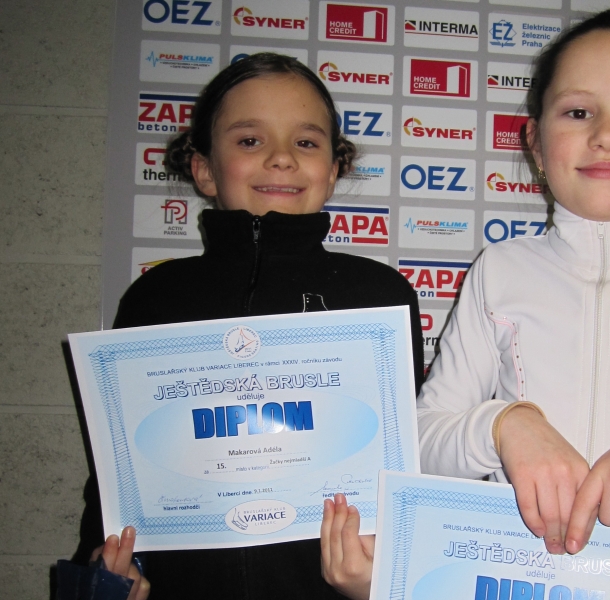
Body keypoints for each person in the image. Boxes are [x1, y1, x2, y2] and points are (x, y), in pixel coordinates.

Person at [321, 9, 610, 597]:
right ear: (536, 143)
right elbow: (414, 448)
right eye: (578, 112)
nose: (607, 134)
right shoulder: (499, 270)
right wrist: (504, 425)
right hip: (507, 578)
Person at [73, 52, 424, 600]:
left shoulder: (379, 296)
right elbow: (115, 476)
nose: (281, 158)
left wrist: (388, 575)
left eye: (305, 142)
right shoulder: (154, 297)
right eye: (250, 140)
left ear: (333, 169)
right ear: (204, 169)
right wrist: (106, 569)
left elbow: (408, 472)